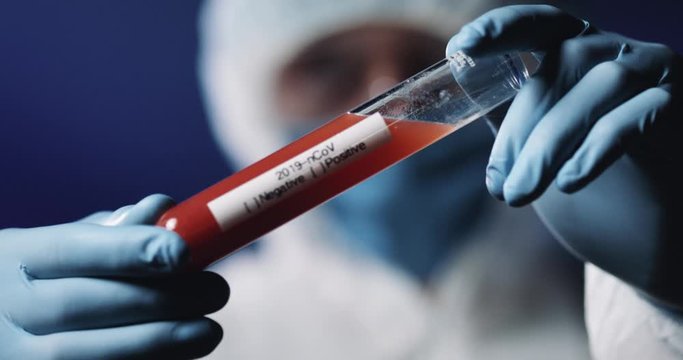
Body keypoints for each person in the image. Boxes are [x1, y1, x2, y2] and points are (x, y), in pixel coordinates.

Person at [0, 3, 680, 360]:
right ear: (247, 96)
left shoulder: (623, 300)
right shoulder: (181, 334)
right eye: (327, 66)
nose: (388, 94)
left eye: (425, 62)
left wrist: (672, 294)